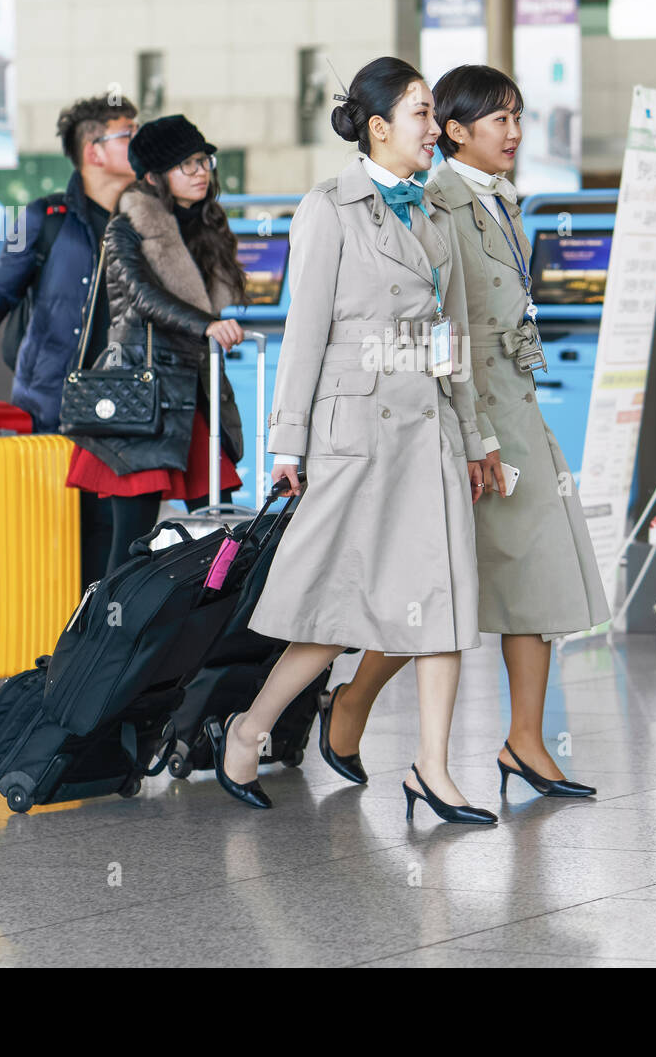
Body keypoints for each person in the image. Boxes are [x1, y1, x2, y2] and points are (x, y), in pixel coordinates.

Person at [205, 56, 498, 825]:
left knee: (443, 599)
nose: (435, 130)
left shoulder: (436, 215)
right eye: (422, 115)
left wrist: (473, 438)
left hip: (427, 430)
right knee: (332, 608)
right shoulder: (328, 207)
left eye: (433, 115)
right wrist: (287, 443)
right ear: (378, 126)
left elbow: (453, 338)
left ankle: (432, 767)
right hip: (354, 433)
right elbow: (304, 334)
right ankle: (250, 729)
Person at [317, 64, 610, 799]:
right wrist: (472, 432)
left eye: (518, 117)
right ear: (453, 129)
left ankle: (524, 741)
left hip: (514, 405)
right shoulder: (437, 198)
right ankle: (351, 701)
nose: (513, 132)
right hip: (463, 417)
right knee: (434, 583)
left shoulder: (498, 200)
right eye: (498, 119)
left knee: (534, 573)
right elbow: (438, 328)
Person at [0, 93, 139, 587]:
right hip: (50, 405)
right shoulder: (44, 216)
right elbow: (1, 284)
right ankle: (48, 649)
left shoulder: (143, 221)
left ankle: (93, 648)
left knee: (109, 541)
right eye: (129, 135)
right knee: (51, 536)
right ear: (94, 150)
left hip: (120, 409)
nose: (140, 144)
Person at [64, 114, 247, 573]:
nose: (201, 171)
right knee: (132, 544)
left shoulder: (207, 228)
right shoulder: (125, 227)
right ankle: (109, 635)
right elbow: (143, 297)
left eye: (204, 160)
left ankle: (214, 633)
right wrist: (205, 324)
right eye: (187, 165)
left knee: (224, 530)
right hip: (141, 398)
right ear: (154, 176)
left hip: (193, 395)